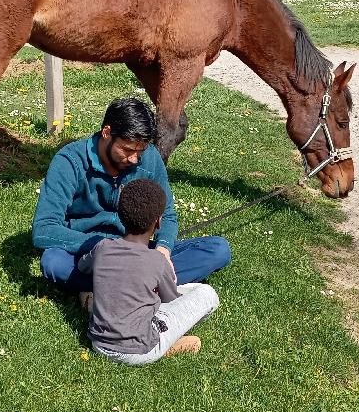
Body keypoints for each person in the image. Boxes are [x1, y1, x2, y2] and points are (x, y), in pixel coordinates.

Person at [33, 97, 231, 296]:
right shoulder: (69, 161)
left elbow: (168, 214)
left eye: (140, 151)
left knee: (217, 250)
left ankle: (109, 287)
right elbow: (44, 229)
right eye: (127, 150)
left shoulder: (150, 157)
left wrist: (163, 250)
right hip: (86, 250)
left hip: (136, 249)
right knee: (53, 263)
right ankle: (145, 285)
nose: (134, 159)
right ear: (107, 132)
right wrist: (104, 247)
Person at [81, 179, 219, 364]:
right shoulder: (158, 261)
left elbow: (83, 266)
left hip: (98, 343)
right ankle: (168, 345)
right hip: (140, 350)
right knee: (206, 292)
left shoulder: (103, 248)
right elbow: (171, 300)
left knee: (191, 288)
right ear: (159, 222)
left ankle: (92, 305)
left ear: (120, 216)